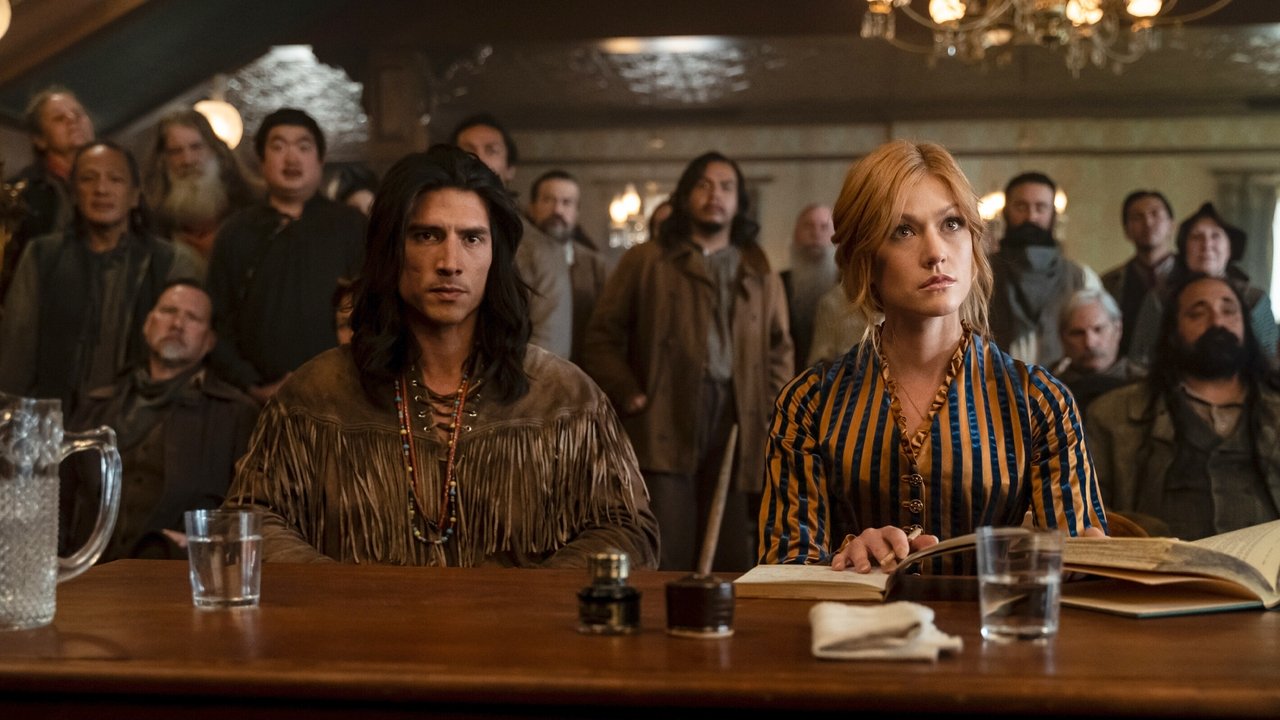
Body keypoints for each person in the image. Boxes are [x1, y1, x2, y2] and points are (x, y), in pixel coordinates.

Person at [225, 145, 659, 568]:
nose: (450, 262)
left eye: (472, 238)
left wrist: (531, 600)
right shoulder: (317, 392)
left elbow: (625, 527)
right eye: (427, 235)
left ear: (495, 256)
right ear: (392, 250)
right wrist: (345, 596)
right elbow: (252, 518)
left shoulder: (564, 395)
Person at [759, 140, 1107, 574]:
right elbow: (784, 568)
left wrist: (1064, 558)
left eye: (952, 224)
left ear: (975, 246)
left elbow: (1081, 570)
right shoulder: (809, 402)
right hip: (854, 617)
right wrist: (845, 557)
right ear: (865, 258)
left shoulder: (1039, 399)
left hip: (993, 617)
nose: (936, 252)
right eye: (902, 231)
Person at [583, 151, 793, 572]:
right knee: (667, 545)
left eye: (726, 187)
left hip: (736, 415)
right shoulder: (647, 259)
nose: (715, 195)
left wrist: (771, 405)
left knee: (730, 551)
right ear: (684, 195)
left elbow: (779, 347)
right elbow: (602, 336)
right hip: (665, 413)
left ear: (739, 200)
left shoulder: (756, 265)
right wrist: (630, 393)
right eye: (704, 185)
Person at [0, 141, 205, 412]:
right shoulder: (43, 255)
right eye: (88, 179)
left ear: (135, 195)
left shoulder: (170, 261)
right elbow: (17, 351)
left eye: (115, 179)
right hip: (52, 419)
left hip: (138, 420)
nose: (102, 189)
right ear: (74, 192)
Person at [62, 280, 258, 561]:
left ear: (209, 341)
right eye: (168, 311)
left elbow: (250, 516)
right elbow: (59, 500)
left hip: (175, 574)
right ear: (147, 324)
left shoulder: (234, 415)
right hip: (89, 572)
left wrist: (207, 542)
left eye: (192, 318)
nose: (177, 324)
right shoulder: (96, 406)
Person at [1089, 274, 1280, 539]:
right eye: (1197, 314)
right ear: (1173, 331)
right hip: (1160, 563)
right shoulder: (1113, 415)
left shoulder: (1275, 410)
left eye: (1228, 311)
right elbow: (1088, 512)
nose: (1217, 322)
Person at [206, 108, 365, 405]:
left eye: (303, 147)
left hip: (343, 397)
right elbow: (216, 320)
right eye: (278, 147)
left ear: (320, 160)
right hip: (254, 401)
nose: (291, 159)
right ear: (262, 161)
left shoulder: (352, 227)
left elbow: (375, 312)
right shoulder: (236, 231)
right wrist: (251, 384)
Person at [452, 113, 573, 359]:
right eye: (468, 150)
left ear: (510, 169)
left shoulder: (541, 250)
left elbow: (549, 350)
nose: (478, 159)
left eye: (491, 150)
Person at [1127, 202, 1278, 366]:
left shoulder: (1254, 298)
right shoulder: (1160, 299)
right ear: (1184, 249)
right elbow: (1139, 362)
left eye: (1215, 236)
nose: (1206, 245)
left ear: (1230, 248)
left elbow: (1271, 359)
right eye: (1196, 237)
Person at [988, 171, 1097, 365]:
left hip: (1061, 380)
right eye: (1021, 207)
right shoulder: (980, 272)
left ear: (1053, 214)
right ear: (1005, 212)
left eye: (1041, 207)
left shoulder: (1080, 277)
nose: (1031, 217)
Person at [1, 87, 95, 305]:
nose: (73, 121)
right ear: (40, 139)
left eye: (78, 114)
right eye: (59, 118)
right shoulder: (19, 194)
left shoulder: (120, 181)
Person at [144, 109, 261, 259]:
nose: (188, 160)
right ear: (163, 160)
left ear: (214, 149)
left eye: (196, 147)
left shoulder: (254, 209)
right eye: (176, 151)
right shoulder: (151, 227)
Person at [527, 169, 609, 365]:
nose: (557, 210)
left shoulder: (595, 265)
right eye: (548, 200)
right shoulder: (515, 259)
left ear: (577, 212)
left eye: (567, 202)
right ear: (532, 207)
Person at [1101, 190, 1176, 357]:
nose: (1148, 222)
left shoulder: (1192, 277)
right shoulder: (1110, 283)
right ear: (1126, 230)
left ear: (1171, 225)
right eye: (1137, 217)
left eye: (1155, 214)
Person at [1049, 288, 1145, 413]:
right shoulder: (1045, 392)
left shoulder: (1146, 387)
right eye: (1078, 333)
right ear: (1062, 337)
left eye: (1098, 329)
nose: (1090, 343)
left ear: (1118, 329)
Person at [780, 204, 837, 370]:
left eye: (824, 227)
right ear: (795, 234)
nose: (816, 233)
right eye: (808, 226)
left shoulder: (848, 289)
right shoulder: (778, 285)